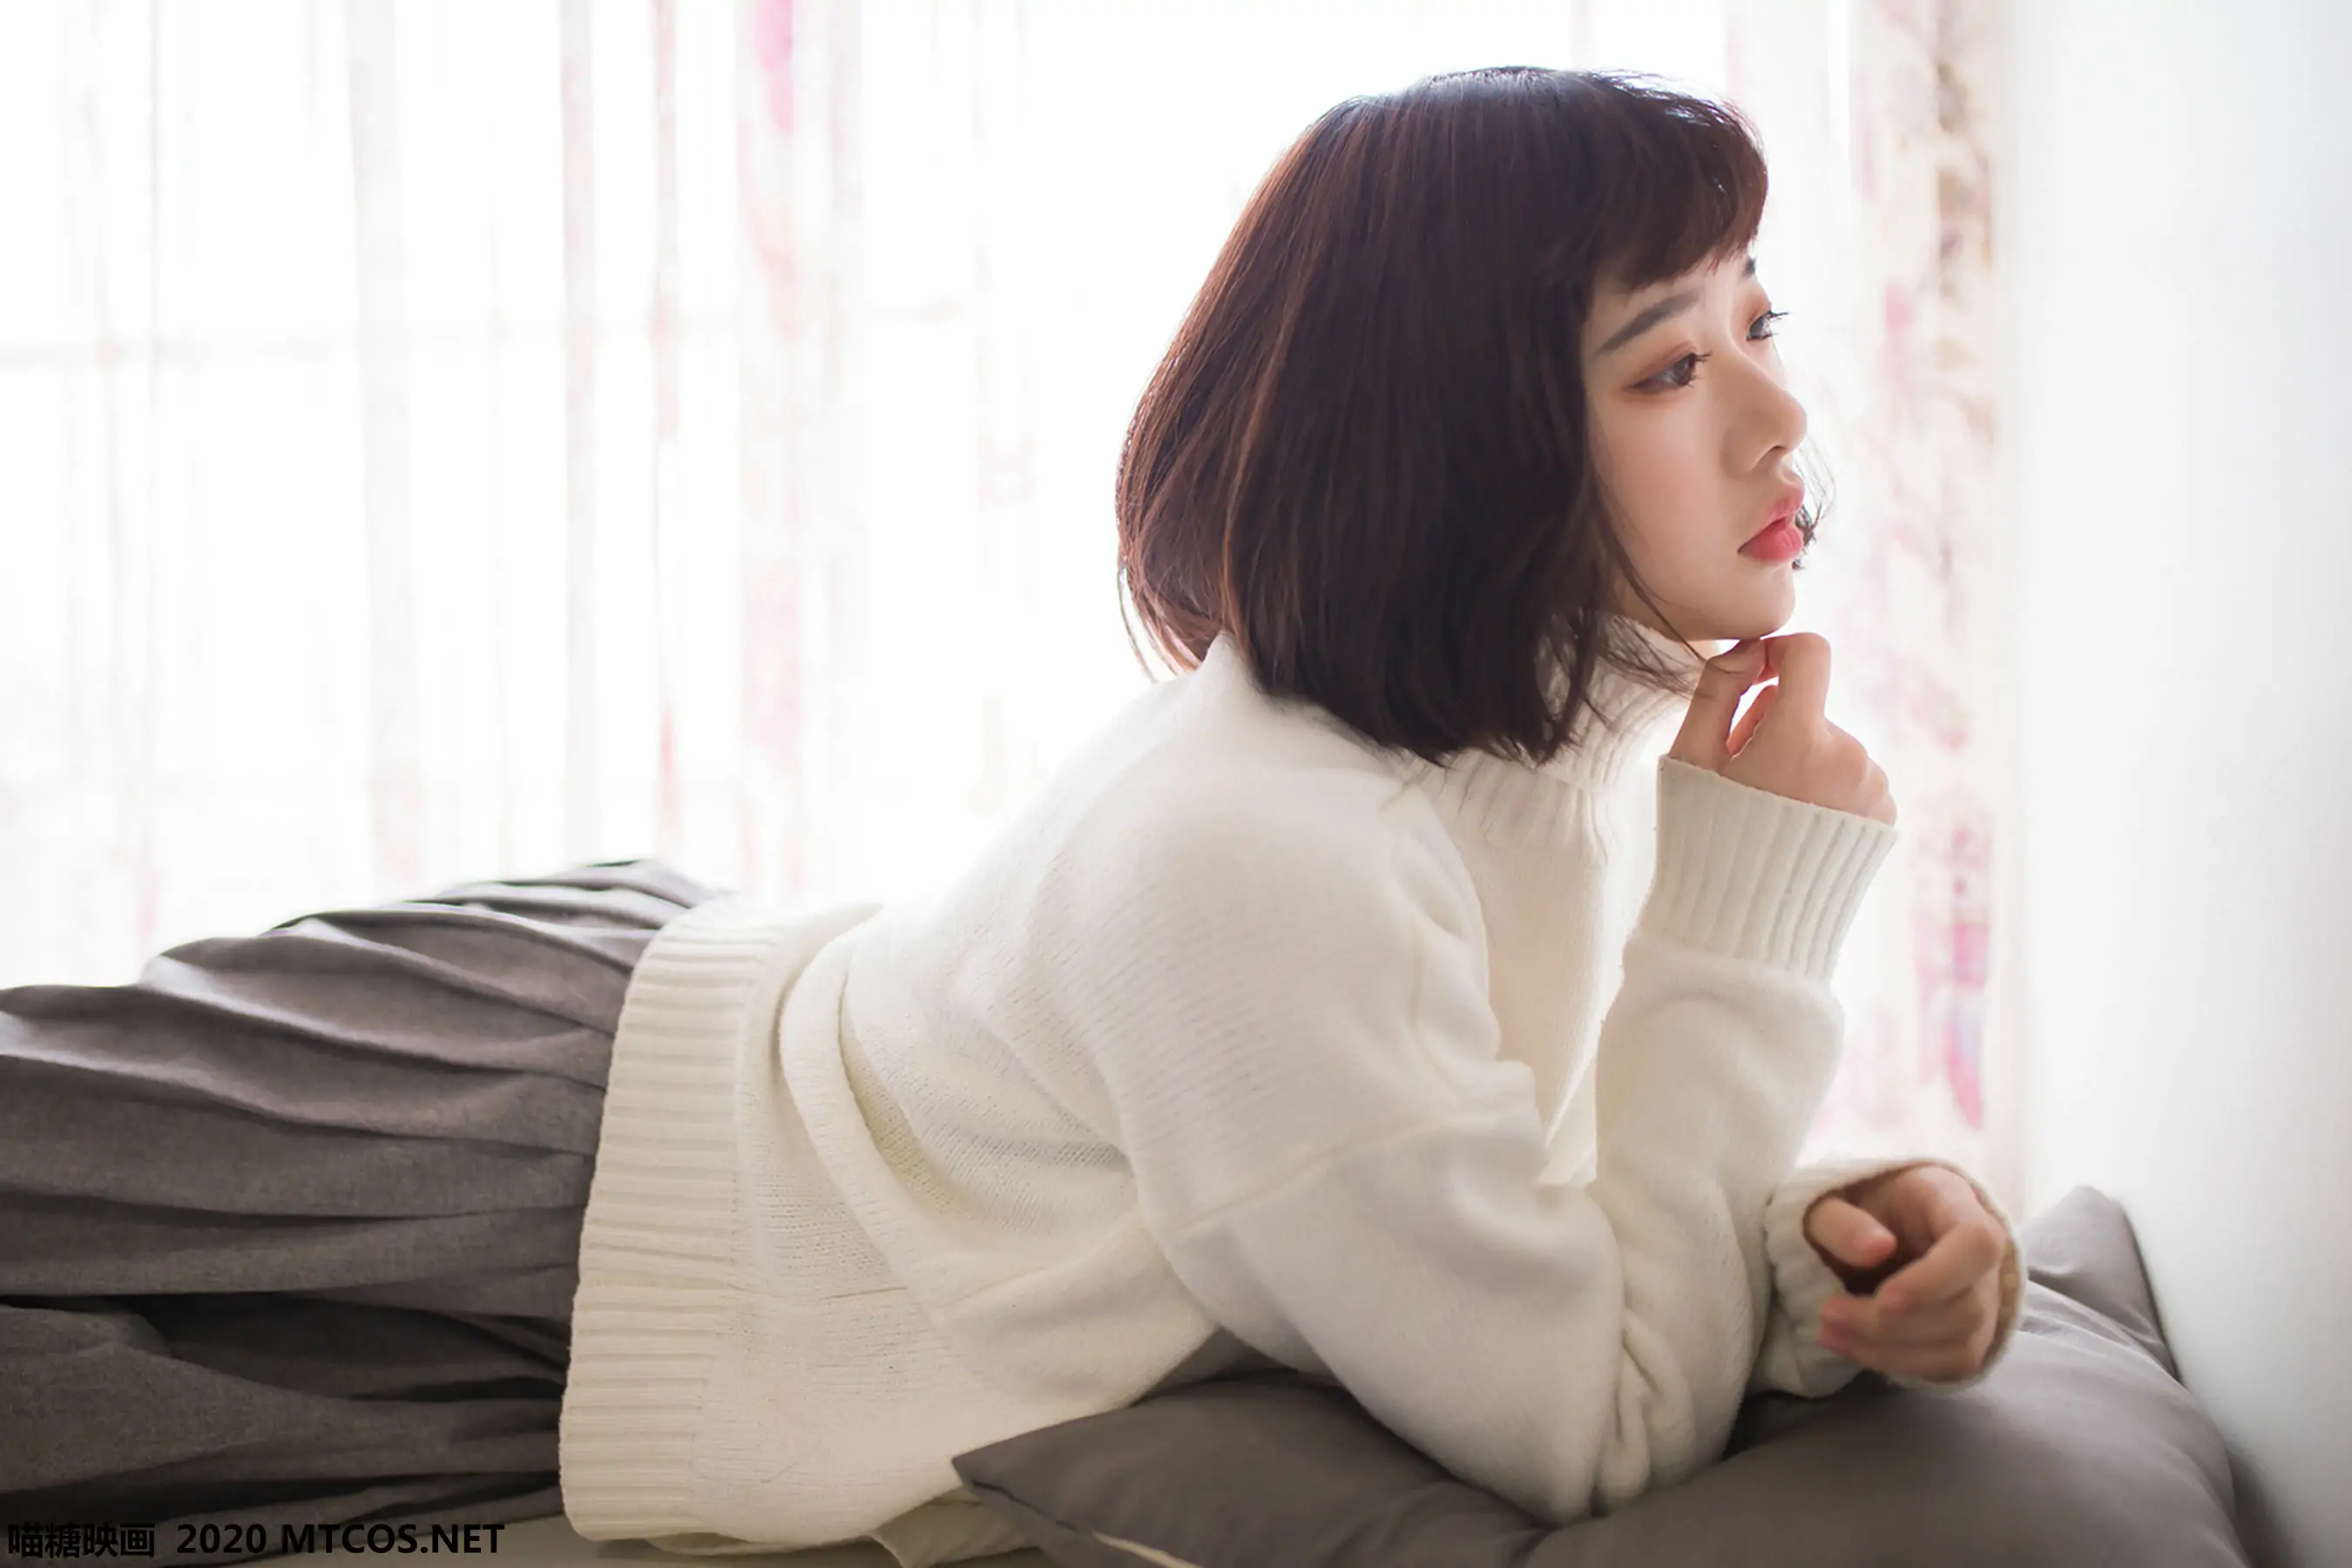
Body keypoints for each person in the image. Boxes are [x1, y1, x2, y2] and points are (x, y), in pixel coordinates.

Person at [2, 65, 2023, 1568]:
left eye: (1757, 321)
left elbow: (1508, 1186)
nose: (1779, 416)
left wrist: (1832, 1240)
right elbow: (1599, 1430)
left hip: (648, 1137)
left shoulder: (1539, 759)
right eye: (1667, 367)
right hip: (551, 1180)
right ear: (1460, 440)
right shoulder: (1286, 854)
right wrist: (1750, 924)